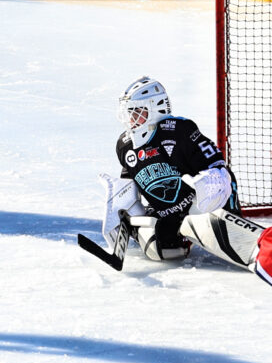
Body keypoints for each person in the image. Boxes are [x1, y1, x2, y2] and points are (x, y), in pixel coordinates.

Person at [107, 76, 250, 263]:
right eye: (129, 113)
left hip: (198, 206)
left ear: (155, 108)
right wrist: (123, 210)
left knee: (224, 180)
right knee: (162, 252)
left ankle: (237, 228)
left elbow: (217, 166)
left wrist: (209, 181)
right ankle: (180, 235)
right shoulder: (124, 145)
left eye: (136, 112)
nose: (131, 119)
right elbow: (129, 182)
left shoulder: (180, 131)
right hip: (167, 215)